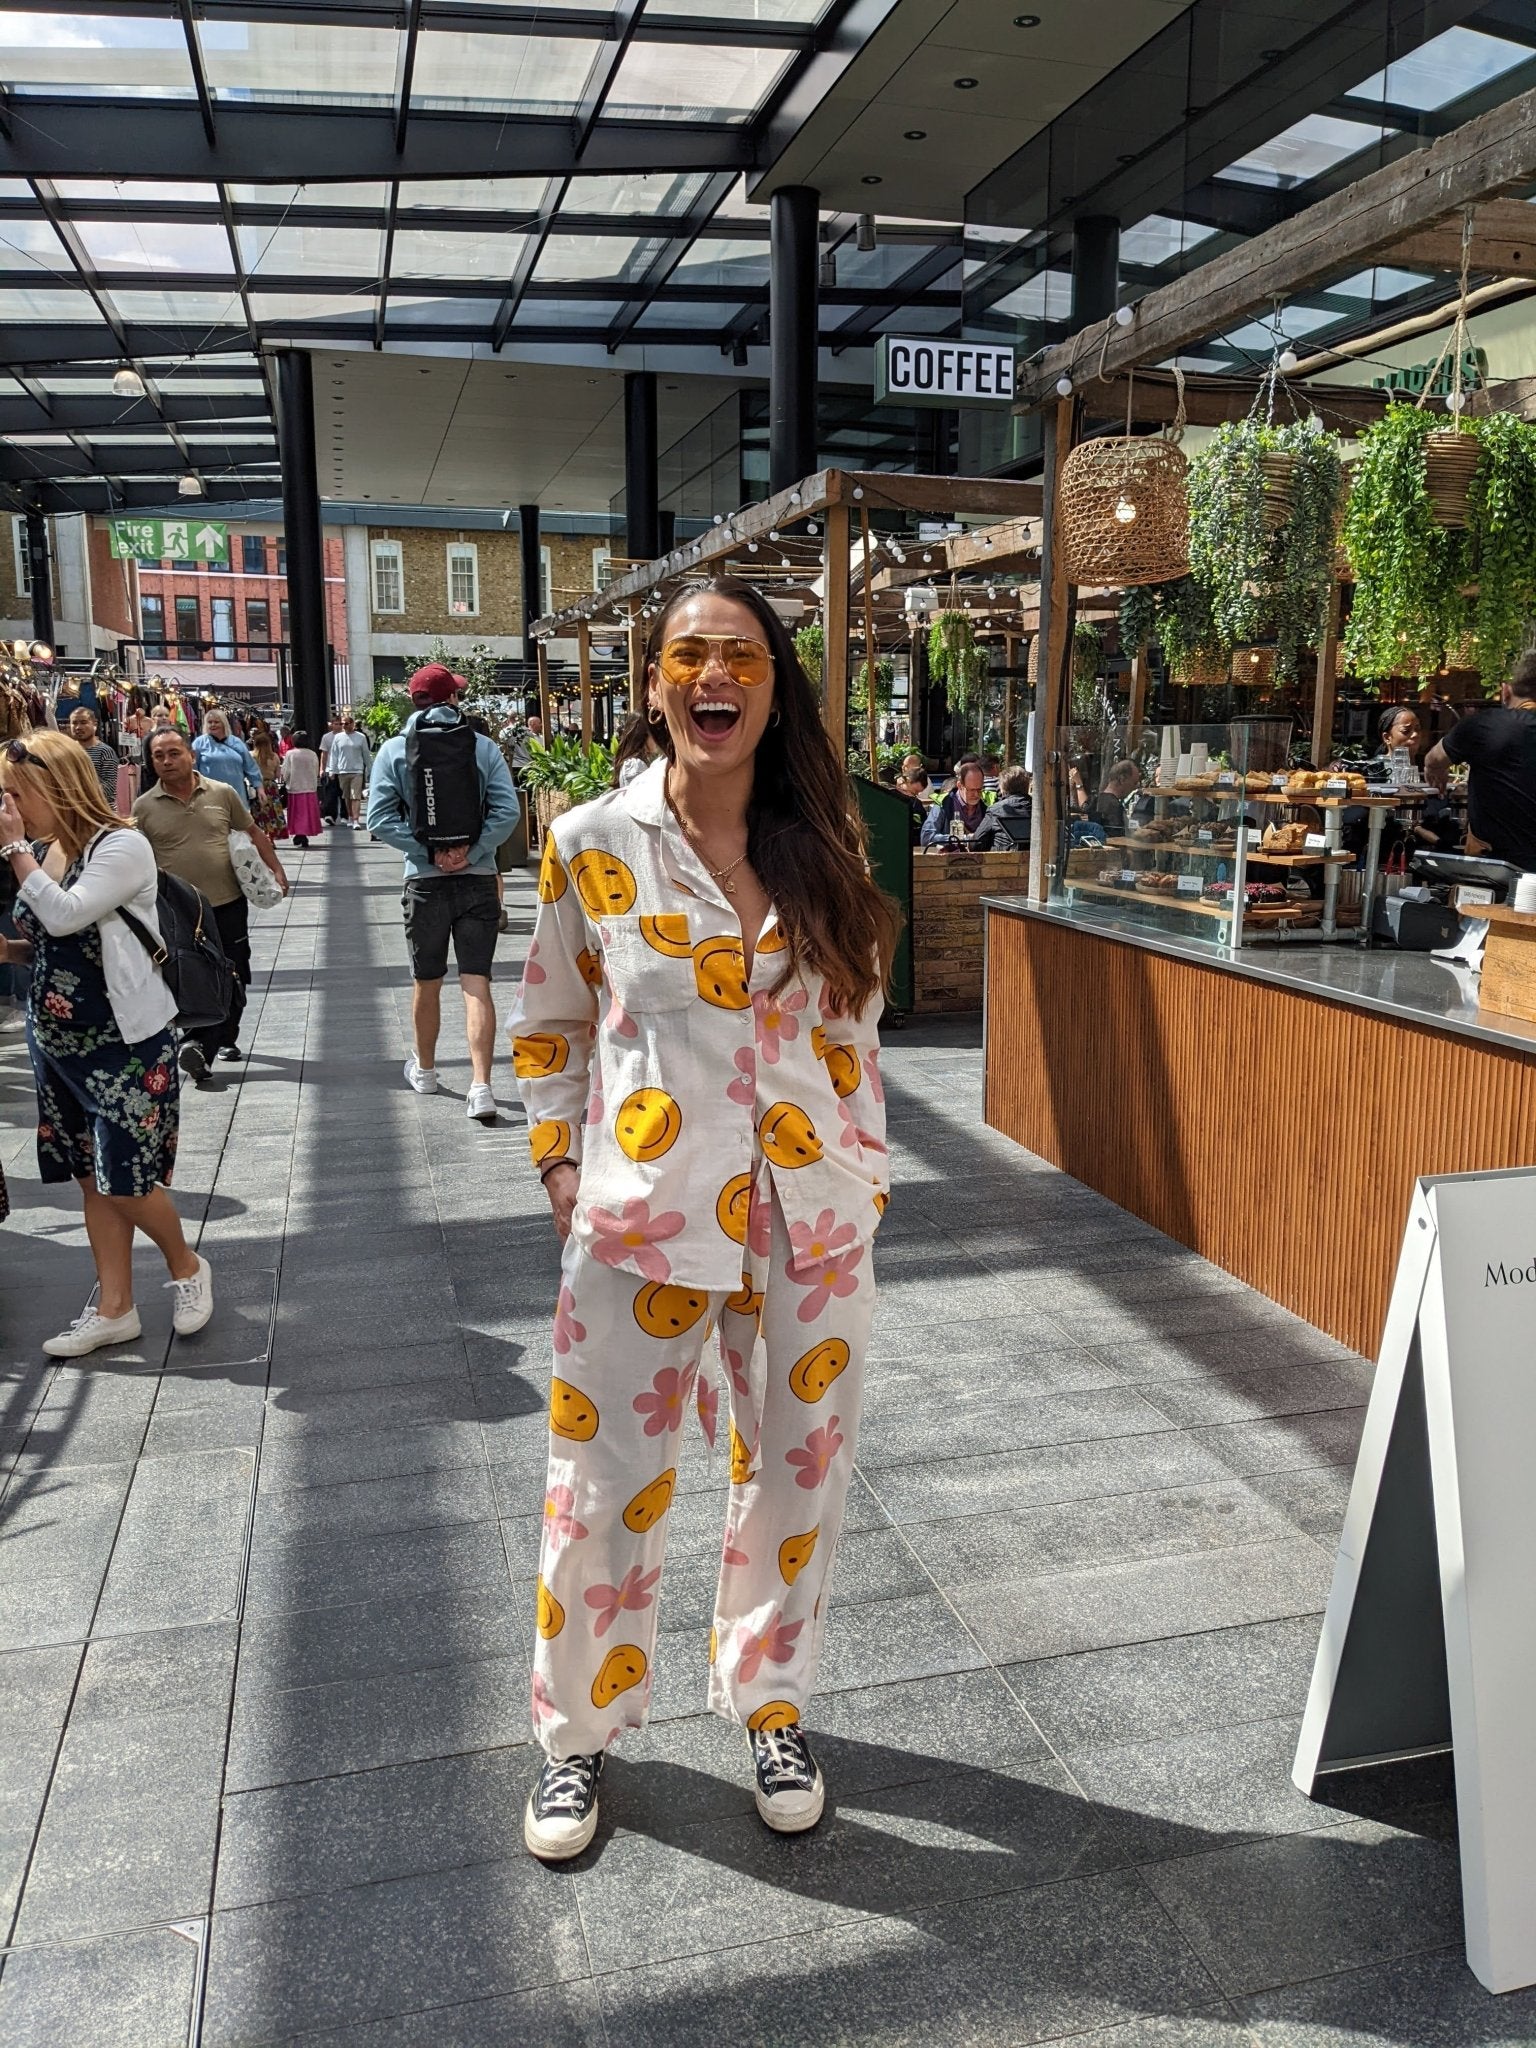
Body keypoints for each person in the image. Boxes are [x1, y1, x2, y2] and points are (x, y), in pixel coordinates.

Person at [511, 576, 897, 1860]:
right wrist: (564, 1169)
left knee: (797, 1474)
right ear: (655, 681)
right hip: (641, 1222)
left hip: (809, 1220)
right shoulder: (593, 840)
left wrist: (864, 1165)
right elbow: (551, 1020)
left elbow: (855, 1028)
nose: (713, 675)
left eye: (739, 655)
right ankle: (576, 1740)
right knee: (602, 1482)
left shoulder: (828, 840)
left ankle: (771, 1702)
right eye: (689, 654)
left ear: (774, 685)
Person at [0, 731, 213, 1355]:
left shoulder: (122, 845)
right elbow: (50, 939)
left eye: (17, 793)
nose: (9, 805)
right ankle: (115, 1307)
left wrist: (15, 850)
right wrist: (10, 950)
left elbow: (68, 914)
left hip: (122, 1042)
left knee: (126, 1177)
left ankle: (186, 1265)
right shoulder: (50, 849)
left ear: (55, 786)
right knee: (92, 1179)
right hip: (56, 1042)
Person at [367, 663, 518, 1122]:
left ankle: (428, 1070)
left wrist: (429, 855)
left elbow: (379, 818)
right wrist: (473, 851)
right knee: (477, 984)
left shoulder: (394, 750)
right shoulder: (482, 746)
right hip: (477, 882)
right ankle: (482, 1086)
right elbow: (507, 811)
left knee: (426, 982)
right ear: (452, 699)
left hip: (424, 885)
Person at [134, 729, 288, 1080]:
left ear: (191, 755)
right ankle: (200, 1044)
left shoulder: (222, 793)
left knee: (235, 973)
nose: (167, 761)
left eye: (174, 753)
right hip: (177, 910)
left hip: (227, 902)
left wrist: (276, 868)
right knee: (189, 973)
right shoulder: (143, 807)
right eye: (159, 756)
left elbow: (253, 833)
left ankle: (218, 1038)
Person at [1426, 653, 1536, 871]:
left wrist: (1435, 769)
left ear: (1505, 691)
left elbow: (1434, 758)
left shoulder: (1483, 726)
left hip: (1495, 867)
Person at [193, 708, 263, 810]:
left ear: (224, 723)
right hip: (209, 798)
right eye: (210, 722)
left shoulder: (237, 742)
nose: (213, 725)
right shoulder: (199, 743)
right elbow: (192, 770)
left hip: (237, 795)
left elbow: (250, 766)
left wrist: (259, 787)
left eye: (216, 722)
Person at [920, 759, 987, 846]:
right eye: (971, 790)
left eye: (979, 789)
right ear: (959, 786)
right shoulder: (943, 804)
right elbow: (926, 838)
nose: (976, 794)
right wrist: (959, 839)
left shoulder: (987, 805)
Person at [67, 707, 120, 811]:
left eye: (83, 722)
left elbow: (109, 787)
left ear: (94, 724)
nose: (78, 727)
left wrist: (79, 793)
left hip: (101, 813)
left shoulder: (105, 752)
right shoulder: (67, 751)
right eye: (74, 723)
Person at [245, 716, 289, 842]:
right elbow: (277, 775)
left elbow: (246, 771)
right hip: (271, 786)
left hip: (256, 786)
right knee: (272, 813)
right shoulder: (274, 756)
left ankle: (260, 837)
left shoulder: (251, 756)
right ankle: (271, 837)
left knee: (258, 812)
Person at [971, 764, 1032, 849]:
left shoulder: (995, 810)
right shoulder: (1039, 810)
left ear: (1002, 788)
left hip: (1002, 860)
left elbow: (975, 844)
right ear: (1027, 786)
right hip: (1034, 860)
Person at [327, 713, 372, 830]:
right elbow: (334, 755)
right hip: (343, 771)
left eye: (346, 723)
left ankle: (356, 820)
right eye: (342, 724)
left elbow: (366, 754)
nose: (344, 726)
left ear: (352, 724)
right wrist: (332, 770)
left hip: (357, 771)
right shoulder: (338, 737)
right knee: (347, 796)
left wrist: (371, 769)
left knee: (355, 796)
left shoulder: (360, 737)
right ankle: (351, 817)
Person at [279, 730, 322, 848]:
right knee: (307, 813)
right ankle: (304, 833)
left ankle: (299, 833)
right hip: (309, 787)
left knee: (297, 813)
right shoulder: (312, 754)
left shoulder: (290, 754)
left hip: (295, 787)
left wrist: (285, 781)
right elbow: (316, 770)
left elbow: (286, 771)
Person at [1094, 758, 1142, 837]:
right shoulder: (1114, 807)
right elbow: (1119, 837)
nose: (1135, 787)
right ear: (1122, 779)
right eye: (1134, 783)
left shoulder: (1095, 801)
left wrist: (1142, 826)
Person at [318, 713, 344, 826]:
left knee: (343, 794)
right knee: (331, 793)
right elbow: (324, 754)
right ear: (331, 725)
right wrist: (322, 769)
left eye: (340, 724)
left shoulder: (345, 736)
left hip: (344, 769)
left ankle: (345, 815)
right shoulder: (326, 737)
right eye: (335, 724)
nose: (337, 726)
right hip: (330, 768)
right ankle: (330, 815)